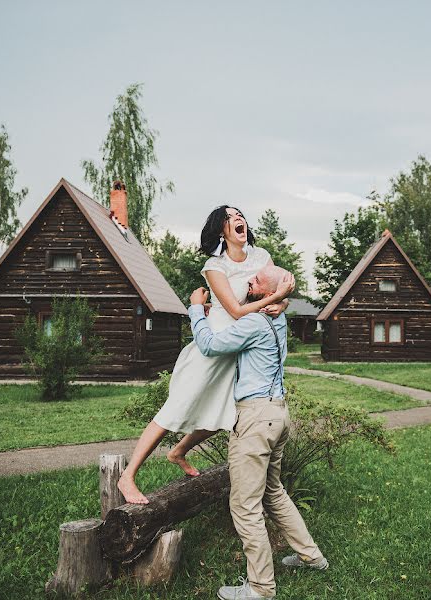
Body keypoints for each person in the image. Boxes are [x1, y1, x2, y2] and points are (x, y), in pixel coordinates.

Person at [117, 206, 294, 504]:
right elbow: (237, 310)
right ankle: (128, 476)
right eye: (229, 217)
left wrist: (282, 303)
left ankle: (178, 451)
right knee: (176, 408)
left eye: (240, 214)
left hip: (243, 348)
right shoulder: (215, 267)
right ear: (220, 230)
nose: (238, 218)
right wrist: (276, 298)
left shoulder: (262, 256)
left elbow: (276, 290)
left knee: (225, 415)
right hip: (214, 344)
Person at [188, 265, 328, 600]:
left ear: (269, 293)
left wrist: (195, 308)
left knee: (245, 504)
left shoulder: (254, 320)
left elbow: (208, 345)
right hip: (278, 412)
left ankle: (261, 588)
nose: (249, 280)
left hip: (255, 419)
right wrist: (282, 299)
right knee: (273, 491)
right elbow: (272, 305)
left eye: (257, 280)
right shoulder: (276, 317)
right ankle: (311, 557)